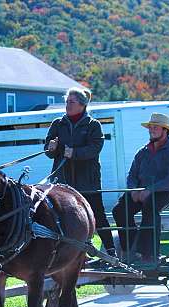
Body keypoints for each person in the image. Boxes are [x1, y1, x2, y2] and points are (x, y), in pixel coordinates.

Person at [44, 87, 116, 256]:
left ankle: (111, 251)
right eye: (67, 102)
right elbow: (48, 150)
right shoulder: (57, 124)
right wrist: (51, 148)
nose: (67, 105)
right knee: (61, 217)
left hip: (87, 181)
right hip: (62, 181)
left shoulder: (93, 125)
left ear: (82, 105)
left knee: (97, 213)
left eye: (71, 102)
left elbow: (95, 148)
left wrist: (74, 153)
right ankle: (65, 252)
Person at [112, 112, 169, 262]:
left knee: (150, 205)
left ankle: (150, 253)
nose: (151, 130)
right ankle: (131, 248)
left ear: (165, 130)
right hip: (142, 191)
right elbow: (132, 175)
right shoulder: (142, 152)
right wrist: (133, 189)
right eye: (150, 127)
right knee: (119, 210)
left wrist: (150, 190)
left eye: (156, 127)